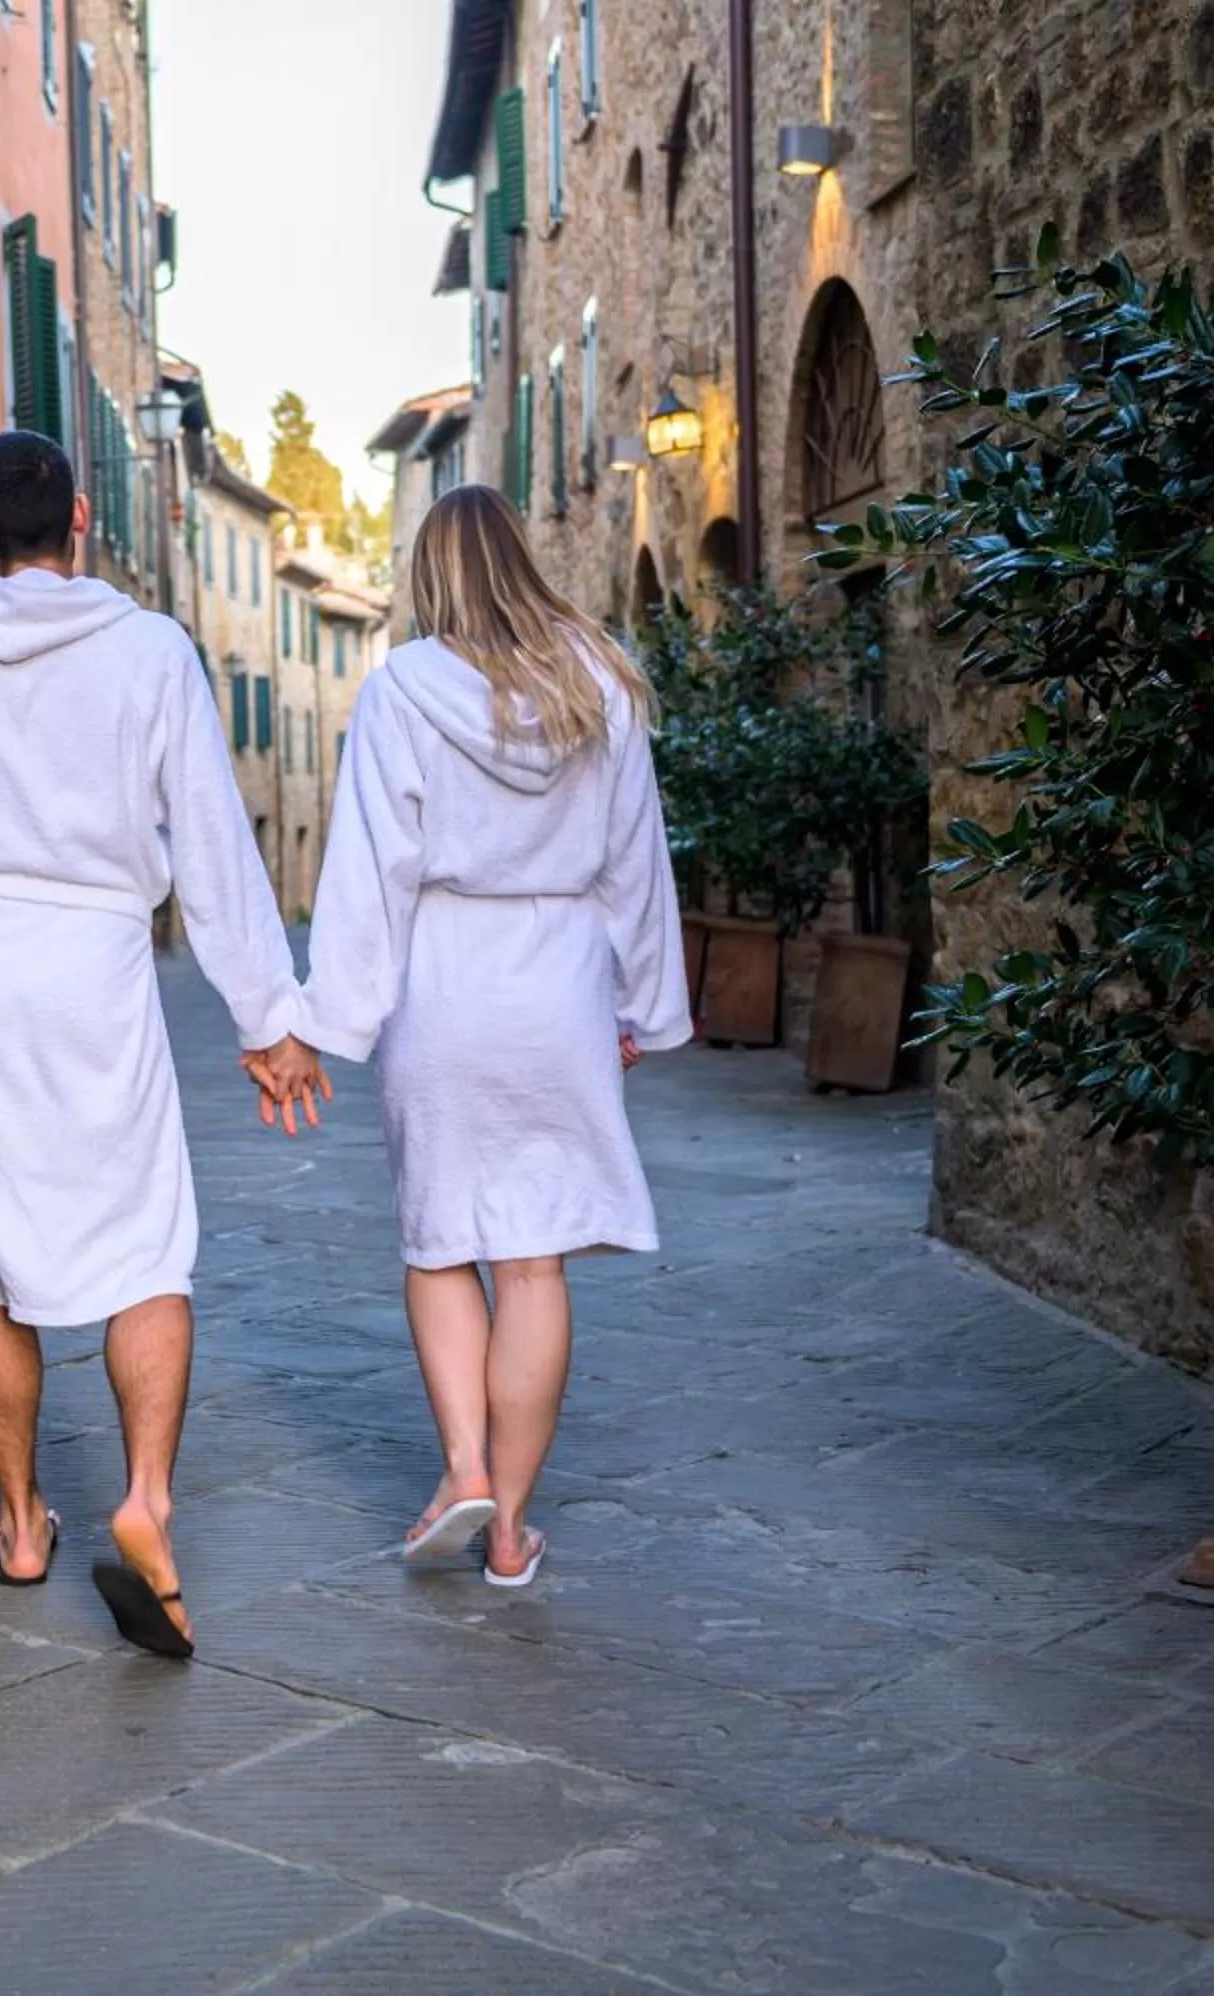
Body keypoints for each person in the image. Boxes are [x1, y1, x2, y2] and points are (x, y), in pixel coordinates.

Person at [0, 430, 329, 1659]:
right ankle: (145, 1501)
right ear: (82, 528)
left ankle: (18, 1525)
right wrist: (270, 1019)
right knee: (144, 1241)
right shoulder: (151, 649)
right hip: (96, 960)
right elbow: (215, 844)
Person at [296, 483, 689, 1587]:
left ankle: (463, 1464)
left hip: (445, 982)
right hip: (558, 987)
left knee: (438, 1243)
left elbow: (372, 872)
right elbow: (635, 864)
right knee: (532, 1263)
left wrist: (330, 1020)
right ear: (523, 559)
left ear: (431, 578)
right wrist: (646, 1008)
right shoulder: (600, 684)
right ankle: (509, 1527)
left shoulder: (400, 695)